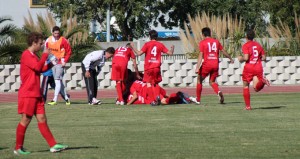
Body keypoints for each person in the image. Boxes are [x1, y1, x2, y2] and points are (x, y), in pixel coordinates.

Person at [14, 32, 68, 155]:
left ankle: (53, 145)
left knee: (42, 118)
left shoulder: (33, 55)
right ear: (33, 43)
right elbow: (38, 68)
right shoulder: (26, 55)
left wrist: (51, 63)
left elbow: (41, 69)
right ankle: (18, 147)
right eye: (40, 44)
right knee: (26, 119)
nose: (43, 46)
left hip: (36, 93)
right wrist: (45, 55)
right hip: (28, 93)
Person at [131, 30, 175, 106]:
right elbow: (170, 53)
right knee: (156, 83)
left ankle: (152, 100)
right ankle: (157, 97)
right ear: (157, 36)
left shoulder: (147, 44)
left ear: (149, 36)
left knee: (148, 84)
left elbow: (138, 53)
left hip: (148, 67)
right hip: (157, 67)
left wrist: (133, 46)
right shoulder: (160, 44)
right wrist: (172, 48)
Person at [195, 27, 234, 105]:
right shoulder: (216, 42)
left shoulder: (202, 42)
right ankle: (218, 92)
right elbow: (223, 51)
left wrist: (197, 67)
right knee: (212, 81)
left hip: (207, 65)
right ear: (210, 34)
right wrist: (230, 58)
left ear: (203, 34)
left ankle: (198, 100)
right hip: (215, 65)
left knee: (199, 80)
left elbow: (200, 55)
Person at [238, 29, 270, 110]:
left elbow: (246, 58)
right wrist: (257, 58)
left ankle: (248, 106)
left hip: (249, 67)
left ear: (246, 36)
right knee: (256, 88)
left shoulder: (246, 45)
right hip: (258, 67)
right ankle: (262, 82)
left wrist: (240, 59)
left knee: (245, 86)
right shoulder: (258, 45)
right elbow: (264, 58)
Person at [45, 26, 72, 105]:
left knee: (57, 80)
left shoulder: (63, 40)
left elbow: (69, 51)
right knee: (59, 81)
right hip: (52, 63)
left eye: (58, 33)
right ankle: (67, 99)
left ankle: (54, 99)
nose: (57, 35)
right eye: (55, 33)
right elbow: (46, 51)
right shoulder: (48, 40)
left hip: (60, 63)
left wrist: (65, 61)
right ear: (52, 33)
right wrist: (46, 60)